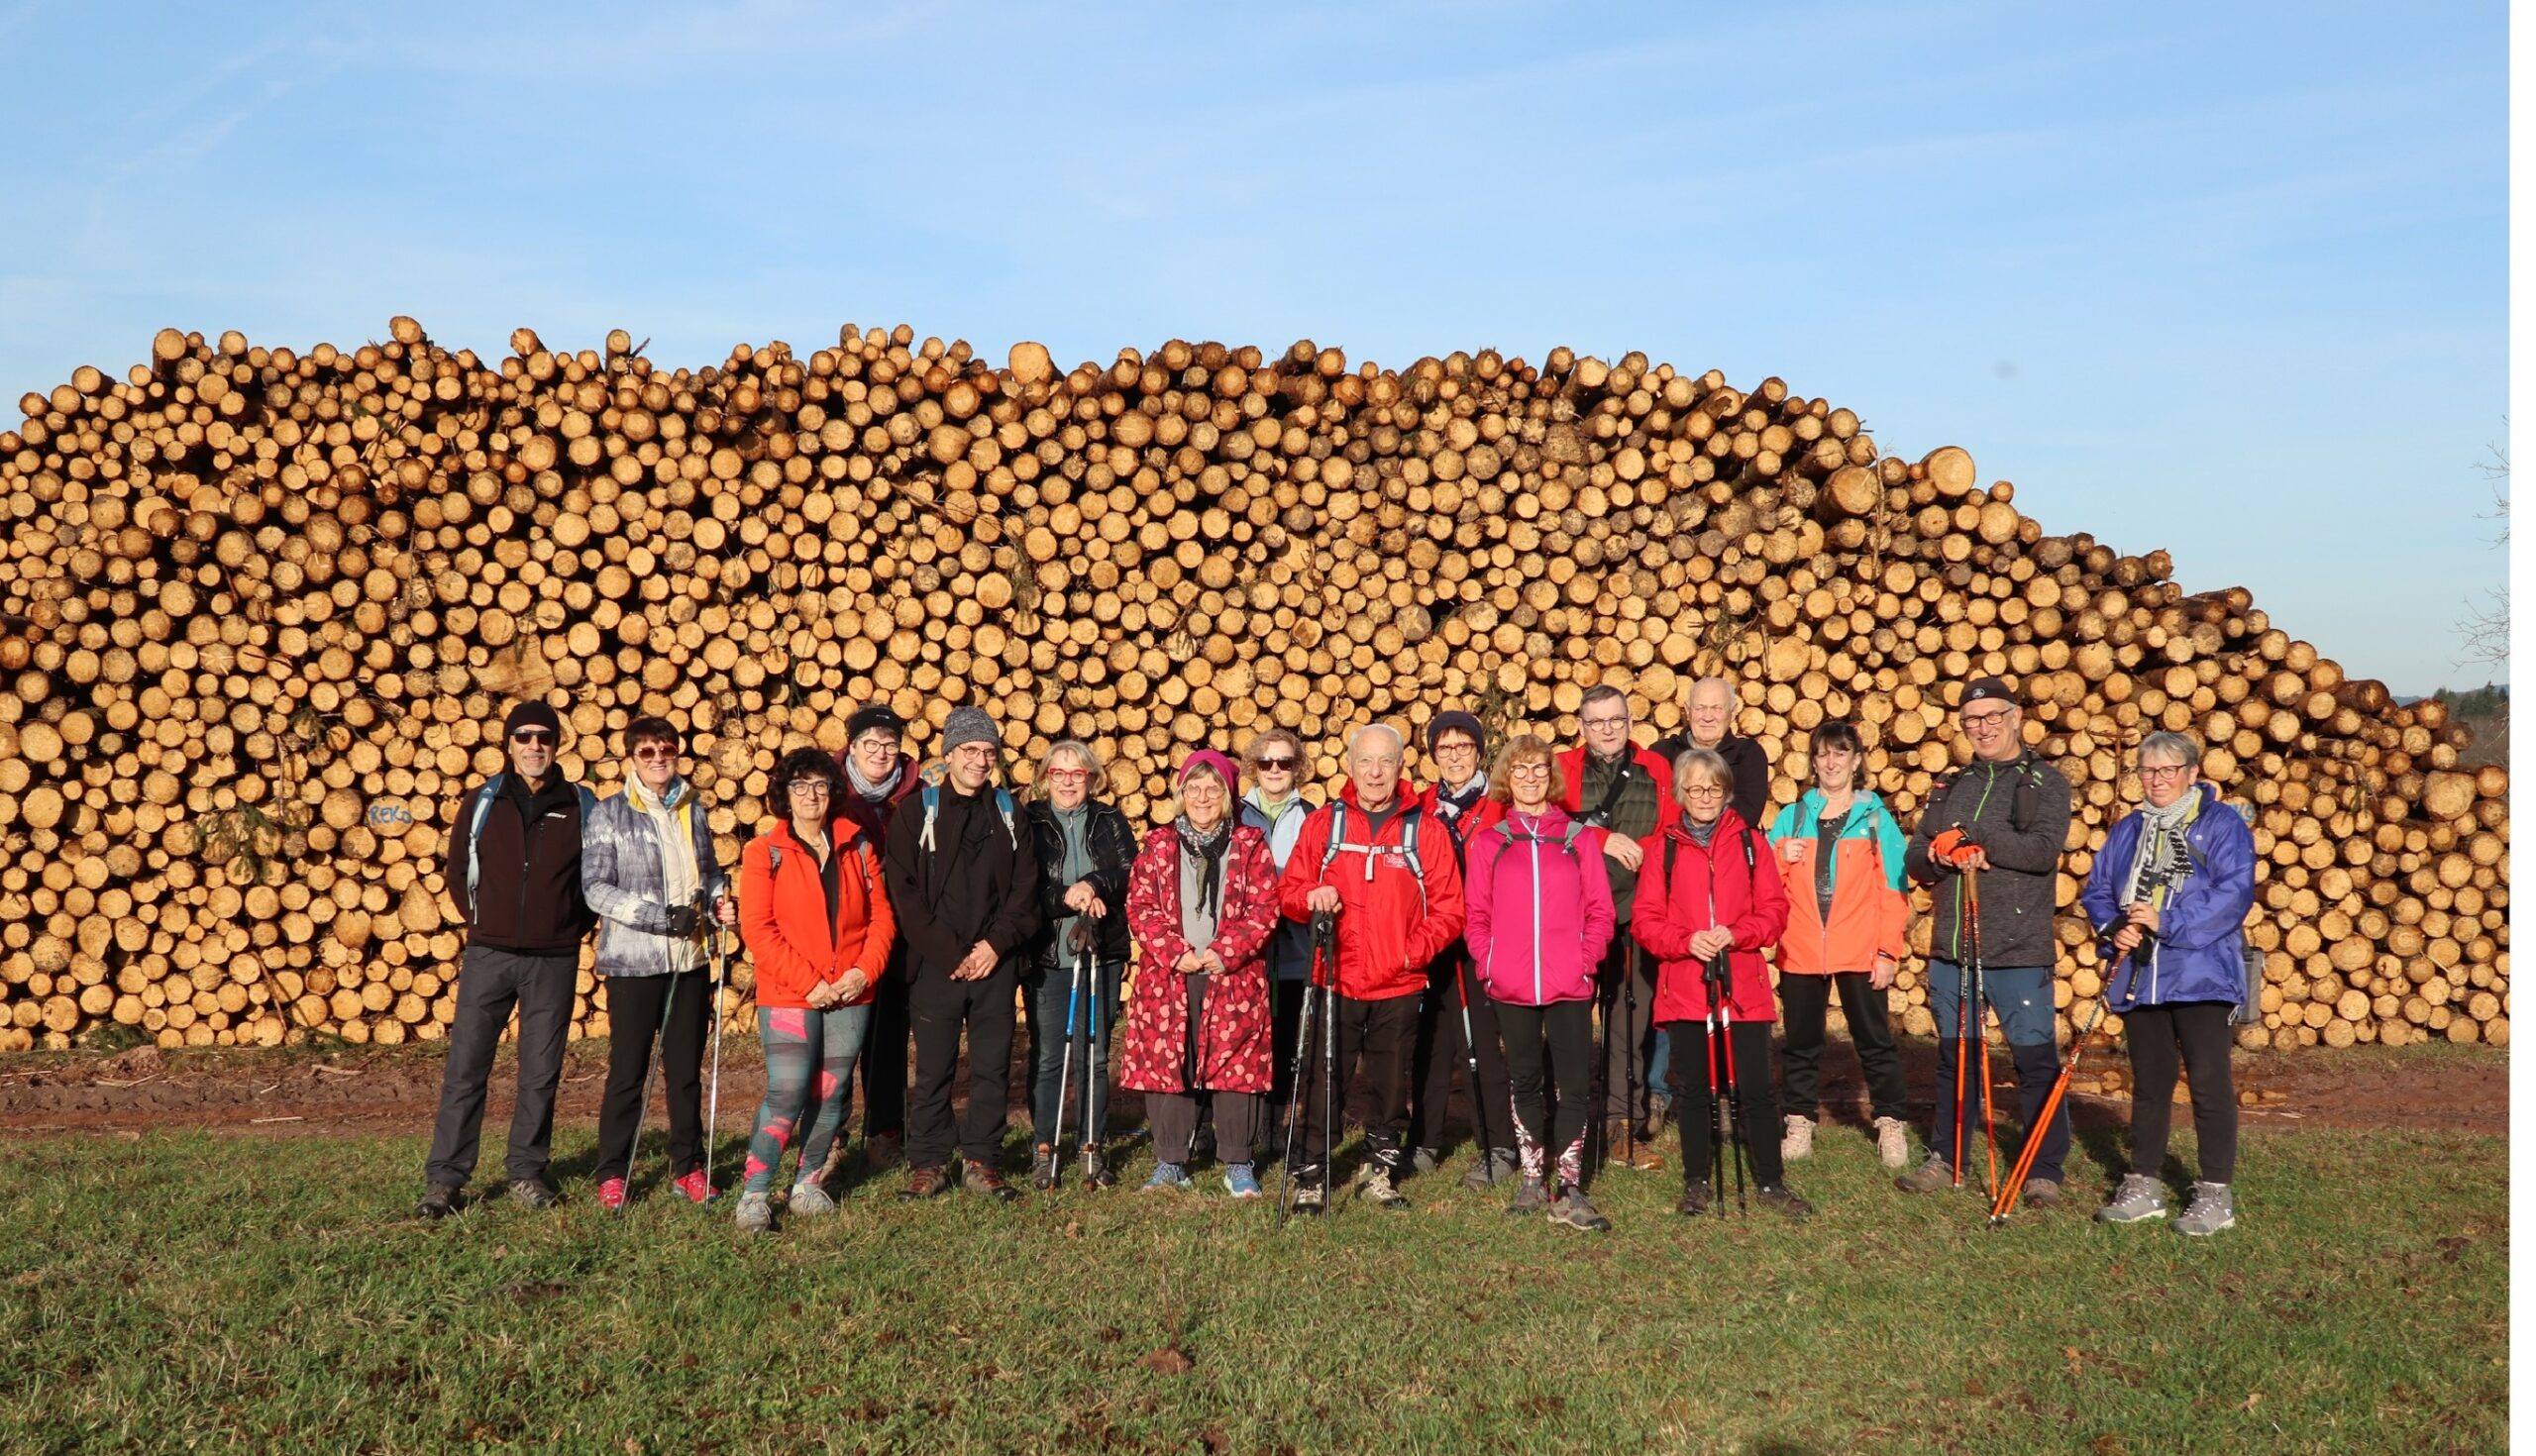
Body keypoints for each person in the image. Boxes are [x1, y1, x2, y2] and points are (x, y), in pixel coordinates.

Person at [1897, 676, 2076, 1206]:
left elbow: (2043, 851)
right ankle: (1946, 1156)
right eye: (1973, 720)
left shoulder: (2046, 783)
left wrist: (1978, 840)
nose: (1983, 728)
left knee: (2034, 1060)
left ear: (2016, 716)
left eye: (1993, 716)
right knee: (1956, 1060)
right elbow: (1914, 854)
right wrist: (1934, 854)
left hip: (2016, 948)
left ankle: (2043, 1168)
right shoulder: (1952, 786)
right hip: (1954, 948)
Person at [417, 700, 597, 1218]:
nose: (534, 745)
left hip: (554, 959)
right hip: (489, 954)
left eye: (543, 736)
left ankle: (526, 1171)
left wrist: (566, 926)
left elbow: (594, 877)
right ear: (509, 743)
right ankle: (445, 1179)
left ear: (557, 743)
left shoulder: (580, 804)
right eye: (523, 736)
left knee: (540, 1071)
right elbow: (457, 871)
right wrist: (482, 922)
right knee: (466, 1068)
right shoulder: (482, 801)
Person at [1278, 723, 1468, 1211]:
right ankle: (1312, 1175)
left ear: (1401, 767)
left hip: (1398, 983)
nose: (1376, 772)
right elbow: (1290, 892)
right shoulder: (1325, 824)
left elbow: (1449, 908)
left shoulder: (1424, 829)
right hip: (1333, 977)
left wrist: (1411, 953)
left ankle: (1379, 1169)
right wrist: (1310, 897)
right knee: (1325, 1079)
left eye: (1386, 761)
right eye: (1366, 761)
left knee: (1389, 1085)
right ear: (1350, 766)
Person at [2082, 732, 2256, 1237]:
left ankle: (2214, 1194)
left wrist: (2165, 920)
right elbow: (2097, 888)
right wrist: (2115, 926)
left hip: (2202, 974)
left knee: (2208, 1083)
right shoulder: (2128, 830)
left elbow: (2233, 892)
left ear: (2191, 773)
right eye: (2147, 771)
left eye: (2167, 771)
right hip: (2143, 977)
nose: (2156, 781)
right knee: (2150, 1084)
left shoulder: (2220, 825)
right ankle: (2144, 1184)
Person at [1635, 750, 1809, 1219]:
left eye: (1713, 788)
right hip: (1686, 984)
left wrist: (1736, 933)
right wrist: (1686, 941)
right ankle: (1697, 1181)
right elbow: (1646, 921)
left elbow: (1774, 912)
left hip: (1743, 984)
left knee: (1754, 1088)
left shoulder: (1751, 843)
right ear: (1680, 794)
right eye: (1695, 789)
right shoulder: (1663, 848)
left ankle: (1771, 1182)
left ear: (1727, 790)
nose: (1704, 797)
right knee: (1693, 1089)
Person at [732, 749, 897, 1232]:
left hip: (851, 990)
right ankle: (755, 1191)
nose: (811, 795)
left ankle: (807, 1182)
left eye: (820, 786)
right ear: (784, 793)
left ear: (833, 792)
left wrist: (863, 972)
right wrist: (811, 984)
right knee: (786, 1091)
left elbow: (881, 916)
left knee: (831, 1091)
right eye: (800, 786)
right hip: (789, 993)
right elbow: (759, 929)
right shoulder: (764, 852)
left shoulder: (858, 846)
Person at [885, 705, 1041, 1202]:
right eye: (970, 750)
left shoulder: (1010, 813)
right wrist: (952, 953)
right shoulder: (916, 812)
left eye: (988, 751)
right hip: (938, 965)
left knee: (994, 1065)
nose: (980, 760)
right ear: (949, 754)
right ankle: (929, 1161)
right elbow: (903, 893)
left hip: (996, 962)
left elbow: (1025, 889)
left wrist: (995, 945)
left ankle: (983, 1160)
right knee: (934, 1067)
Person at [582, 715, 738, 1210]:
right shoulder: (609, 813)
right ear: (632, 758)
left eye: (665, 751)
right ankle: (613, 1172)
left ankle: (687, 1165)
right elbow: (596, 888)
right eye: (646, 752)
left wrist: (718, 901)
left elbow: (709, 871)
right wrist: (655, 917)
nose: (657, 760)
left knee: (685, 1071)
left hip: (687, 959)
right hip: (634, 963)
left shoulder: (693, 809)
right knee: (628, 1071)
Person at [1465, 735, 1616, 1230]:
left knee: (1573, 1083)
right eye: (1520, 769)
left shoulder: (1576, 839)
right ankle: (1533, 1177)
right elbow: (1476, 914)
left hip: (1569, 983)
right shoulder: (1489, 841)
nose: (1530, 778)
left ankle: (1569, 1184)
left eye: (1539, 769)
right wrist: (1489, 964)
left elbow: (1600, 910)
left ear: (1551, 776)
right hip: (1510, 984)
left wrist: (1585, 960)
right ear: (1508, 778)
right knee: (1525, 1079)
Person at [1121, 752, 1281, 1196]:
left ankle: (1237, 1160)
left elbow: (1265, 908)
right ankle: (1171, 1159)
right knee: (1171, 1063)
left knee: (1236, 1066)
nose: (1203, 797)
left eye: (1212, 789)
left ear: (1227, 797)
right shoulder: (1157, 844)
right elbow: (1140, 906)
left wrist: (1224, 951)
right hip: (1171, 975)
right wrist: (1177, 952)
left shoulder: (1250, 845)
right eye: (1194, 788)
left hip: (1234, 974)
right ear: (1181, 793)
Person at [1764, 720, 1913, 1170]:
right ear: (1813, 762)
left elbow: (1894, 890)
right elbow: (1764, 887)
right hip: (1802, 947)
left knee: (1874, 1040)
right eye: (1823, 754)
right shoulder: (1792, 817)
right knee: (1801, 1042)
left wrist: (1888, 951)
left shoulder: (1875, 821)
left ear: (1856, 760)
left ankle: (1890, 1121)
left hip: (1860, 948)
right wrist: (1778, 857)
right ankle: (1799, 1120)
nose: (1831, 762)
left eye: (1840, 753)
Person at [1555, 683, 1677, 1170]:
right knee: (1568, 1022)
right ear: (1581, 727)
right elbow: (1544, 823)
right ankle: (1567, 1123)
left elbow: (1671, 827)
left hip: (1636, 912)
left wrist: (1647, 853)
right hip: (1575, 915)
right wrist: (1601, 838)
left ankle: (1623, 1127)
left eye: (1616, 720)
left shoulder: (1657, 769)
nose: (1607, 729)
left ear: (1629, 721)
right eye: (1597, 722)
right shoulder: (1561, 769)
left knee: (1629, 1019)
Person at [1646, 676, 1771, 1116]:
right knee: (1671, 1002)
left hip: (1728, 895)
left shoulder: (1749, 756)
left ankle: (1729, 1094)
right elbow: (1657, 814)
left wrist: (1704, 829)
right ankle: (1661, 1092)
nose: (1707, 716)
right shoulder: (1662, 754)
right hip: (1675, 884)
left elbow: (1746, 812)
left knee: (1730, 1008)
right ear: (1686, 710)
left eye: (1716, 708)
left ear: (1731, 712)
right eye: (1700, 707)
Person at [1019, 740, 1136, 1190]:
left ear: (1091, 778)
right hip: (1050, 953)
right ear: (1045, 776)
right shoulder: (1029, 819)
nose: (1068, 782)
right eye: (1059, 773)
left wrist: (1093, 883)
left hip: (1101, 952)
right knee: (1050, 1056)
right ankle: (1044, 1147)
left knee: (1095, 1051)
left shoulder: (1108, 819)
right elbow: (1021, 882)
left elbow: (1130, 870)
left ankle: (1093, 1145)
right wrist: (1062, 897)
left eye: (1077, 774)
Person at [1408, 709, 1516, 1186]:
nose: (1454, 756)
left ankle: (1498, 1145)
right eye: (1444, 748)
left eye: (1463, 747)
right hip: (1430, 939)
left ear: (1478, 751)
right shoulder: (1421, 804)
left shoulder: (1499, 803)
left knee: (1480, 1045)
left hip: (1480, 940)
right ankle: (1425, 1139)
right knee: (1428, 1044)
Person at [831, 702, 920, 1175]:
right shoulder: (828, 791)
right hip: (840, 933)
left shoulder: (917, 793)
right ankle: (831, 1135)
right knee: (838, 1037)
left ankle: (885, 1131)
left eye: (890, 743)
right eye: (871, 743)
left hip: (899, 932)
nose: (881, 752)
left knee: (887, 1037)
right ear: (853, 746)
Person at [1237, 729, 1318, 1128]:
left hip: (1293, 950)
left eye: (1284, 762)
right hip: (1244, 954)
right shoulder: (1234, 812)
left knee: (1284, 1039)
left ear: (1296, 767)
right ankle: (1239, 1122)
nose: (1274, 770)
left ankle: (1273, 1122)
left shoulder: (1313, 815)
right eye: (1266, 762)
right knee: (1242, 1037)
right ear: (1254, 766)